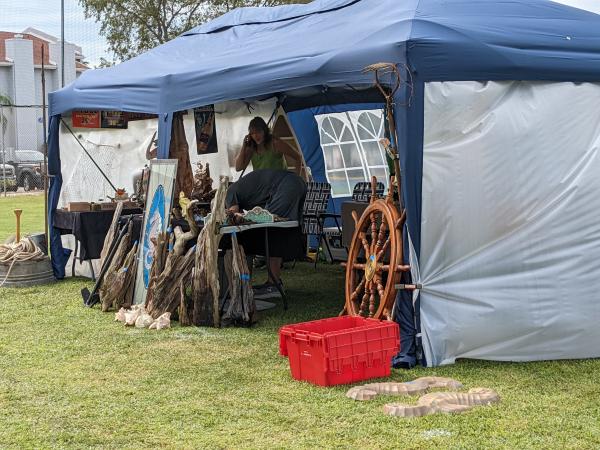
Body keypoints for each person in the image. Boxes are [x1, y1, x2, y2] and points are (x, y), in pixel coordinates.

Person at [225, 169, 307, 300]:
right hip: (295, 182)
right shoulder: (243, 189)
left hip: (286, 185)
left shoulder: (229, 192)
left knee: (274, 230)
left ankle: (273, 285)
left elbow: (232, 215)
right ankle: (271, 282)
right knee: (277, 229)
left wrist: (231, 216)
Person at [235, 116, 304, 174]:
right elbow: (238, 168)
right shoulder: (252, 148)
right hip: (262, 187)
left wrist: (296, 180)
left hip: (279, 185)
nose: (256, 136)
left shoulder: (275, 143)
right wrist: (244, 146)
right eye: (252, 133)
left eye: (258, 131)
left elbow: (298, 157)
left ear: (264, 131)